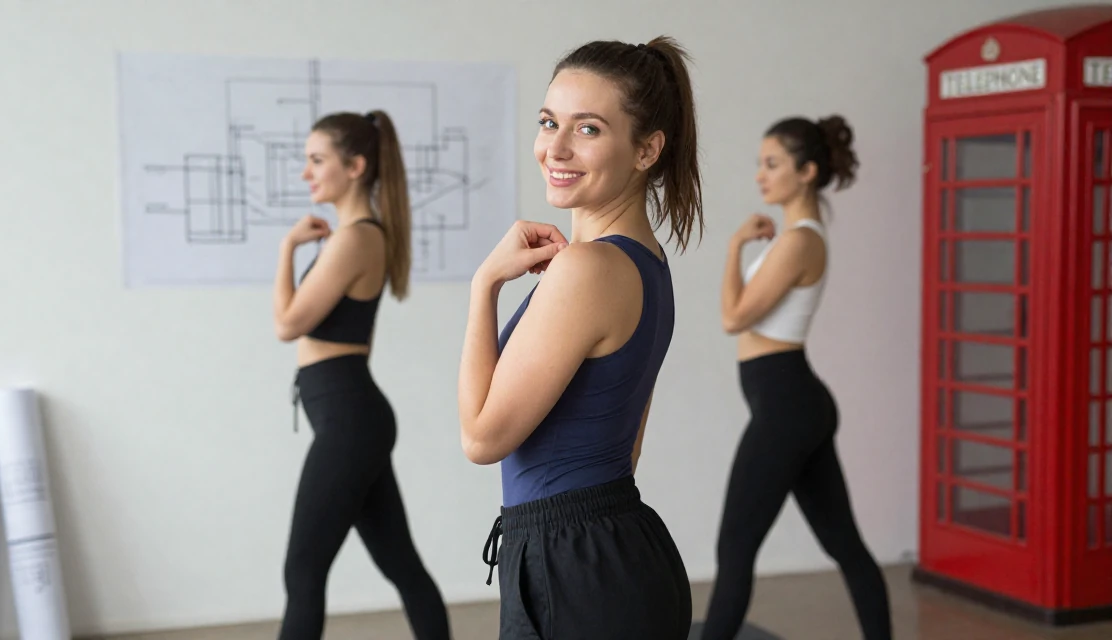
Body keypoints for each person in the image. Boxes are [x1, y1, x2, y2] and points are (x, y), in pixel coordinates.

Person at [457, 36, 703, 640]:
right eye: (549, 122)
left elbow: (482, 438)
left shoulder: (587, 269)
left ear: (647, 149)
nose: (556, 148)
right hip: (611, 549)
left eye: (588, 128)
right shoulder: (648, 263)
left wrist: (484, 286)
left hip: (573, 565)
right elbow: (629, 446)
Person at [700, 115, 892, 639]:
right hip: (794, 404)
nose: (760, 175)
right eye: (759, 164)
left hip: (787, 405)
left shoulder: (799, 242)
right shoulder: (793, 239)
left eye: (772, 164)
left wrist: (735, 246)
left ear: (806, 172)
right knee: (844, 545)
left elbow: (733, 318)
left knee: (735, 547)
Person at [272, 110, 451, 639]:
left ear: (354, 167)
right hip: (352, 418)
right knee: (402, 566)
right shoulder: (356, 237)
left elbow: (287, 324)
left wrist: (286, 249)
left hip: (350, 421)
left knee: (303, 571)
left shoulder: (355, 239)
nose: (306, 172)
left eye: (316, 160)